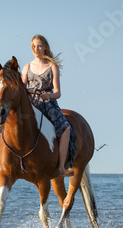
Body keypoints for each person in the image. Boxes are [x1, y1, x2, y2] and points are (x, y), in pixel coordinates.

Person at [22, 34, 75, 178]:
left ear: (45, 47)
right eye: (34, 46)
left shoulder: (53, 66)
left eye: (39, 46)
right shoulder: (27, 67)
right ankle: (5, 167)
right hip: (31, 103)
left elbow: (58, 93)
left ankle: (61, 167)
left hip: (47, 103)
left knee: (66, 128)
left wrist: (49, 96)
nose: (36, 49)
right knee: (4, 124)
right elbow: (22, 89)